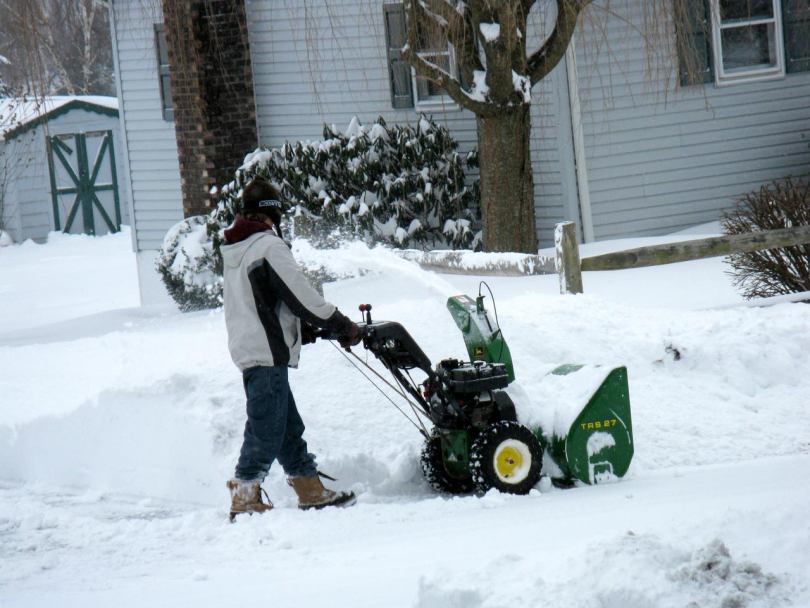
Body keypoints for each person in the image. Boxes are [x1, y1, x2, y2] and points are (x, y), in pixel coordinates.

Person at [221, 176, 360, 520]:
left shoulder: (238, 249)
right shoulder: (268, 246)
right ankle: (244, 495)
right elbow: (301, 296)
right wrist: (340, 323)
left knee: (284, 425)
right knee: (267, 426)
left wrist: (303, 331)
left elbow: (264, 301)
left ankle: (310, 489)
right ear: (273, 215)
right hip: (266, 352)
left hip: (251, 347)